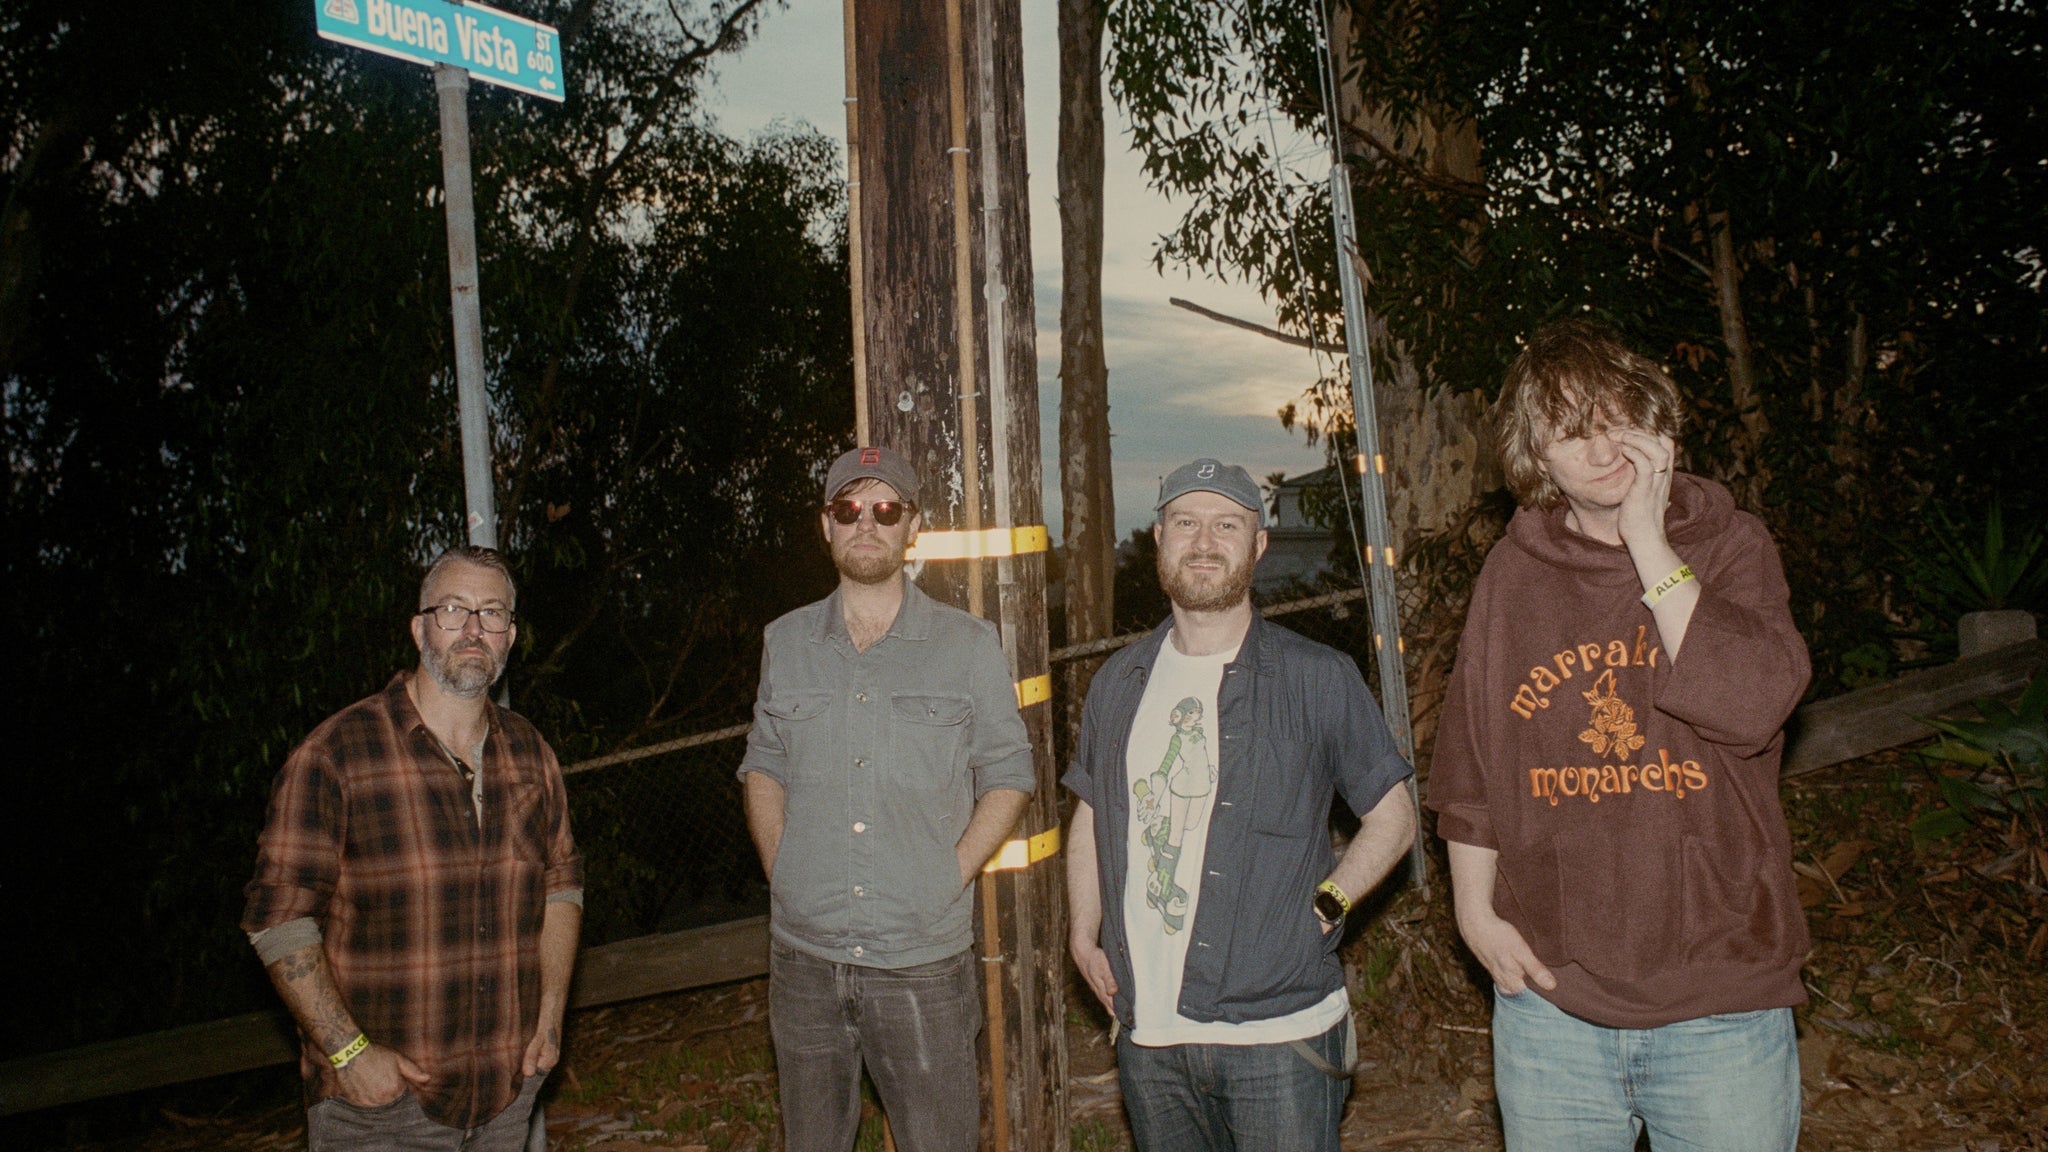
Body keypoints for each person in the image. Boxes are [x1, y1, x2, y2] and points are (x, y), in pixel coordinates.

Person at [1426, 320, 1812, 1151]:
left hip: (1722, 998)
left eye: (1617, 419)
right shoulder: (1513, 575)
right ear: (1537, 459)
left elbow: (1753, 706)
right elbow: (1471, 768)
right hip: (1552, 1007)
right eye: (1572, 434)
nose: (1603, 450)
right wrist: (1474, 914)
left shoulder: (1733, 546)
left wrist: (1648, 539)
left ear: (1656, 420)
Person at [1064, 458, 1416, 1152]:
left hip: (1278, 1036)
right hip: (1149, 1033)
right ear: (1159, 538)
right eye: (1186, 523)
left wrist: (1332, 900)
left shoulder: (1318, 677)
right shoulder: (1118, 682)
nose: (1204, 542)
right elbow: (1093, 813)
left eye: (1227, 525)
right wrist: (1082, 931)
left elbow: (1394, 816)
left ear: (1258, 545)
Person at [738, 445, 1035, 1152]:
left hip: (921, 963)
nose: (865, 522)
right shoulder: (786, 642)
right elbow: (763, 766)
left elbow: (1011, 774)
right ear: (826, 525)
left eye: (885, 508)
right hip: (804, 960)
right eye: (848, 509)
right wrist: (784, 870)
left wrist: (945, 876)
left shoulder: (968, 645)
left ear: (912, 527)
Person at [243, 545, 583, 1152]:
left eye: (492, 613)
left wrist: (551, 1014)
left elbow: (561, 885)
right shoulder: (336, 755)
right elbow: (278, 920)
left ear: (510, 637)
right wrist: (348, 1052)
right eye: (452, 609)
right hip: (382, 1110)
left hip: (506, 1094)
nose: (473, 629)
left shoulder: (532, 753)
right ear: (419, 629)